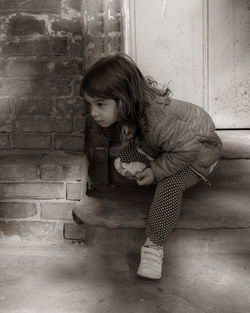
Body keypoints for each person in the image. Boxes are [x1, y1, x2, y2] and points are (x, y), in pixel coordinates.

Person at [80, 53, 222, 280]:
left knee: (169, 183)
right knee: (124, 156)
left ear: (123, 98)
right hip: (169, 147)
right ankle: (152, 166)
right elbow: (133, 141)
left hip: (199, 153)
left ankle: (154, 246)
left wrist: (156, 171)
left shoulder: (159, 121)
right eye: (91, 105)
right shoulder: (133, 108)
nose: (94, 113)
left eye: (100, 105)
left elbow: (188, 150)